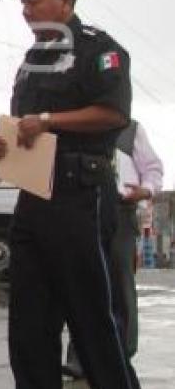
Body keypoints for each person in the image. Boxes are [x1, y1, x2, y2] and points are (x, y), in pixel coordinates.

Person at [0, 0, 150, 389]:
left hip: (81, 194)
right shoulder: (32, 60)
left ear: (65, 1)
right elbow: (21, 124)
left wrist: (49, 120)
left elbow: (114, 112)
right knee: (29, 317)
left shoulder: (101, 51)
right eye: (23, 2)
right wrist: (3, 140)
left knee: (91, 315)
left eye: (34, 1)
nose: (27, 11)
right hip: (34, 196)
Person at [64, 118, 164, 375]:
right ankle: (80, 358)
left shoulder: (131, 130)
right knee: (83, 281)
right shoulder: (79, 124)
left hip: (121, 209)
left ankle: (121, 353)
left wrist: (146, 190)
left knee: (119, 281)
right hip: (84, 207)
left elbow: (153, 169)